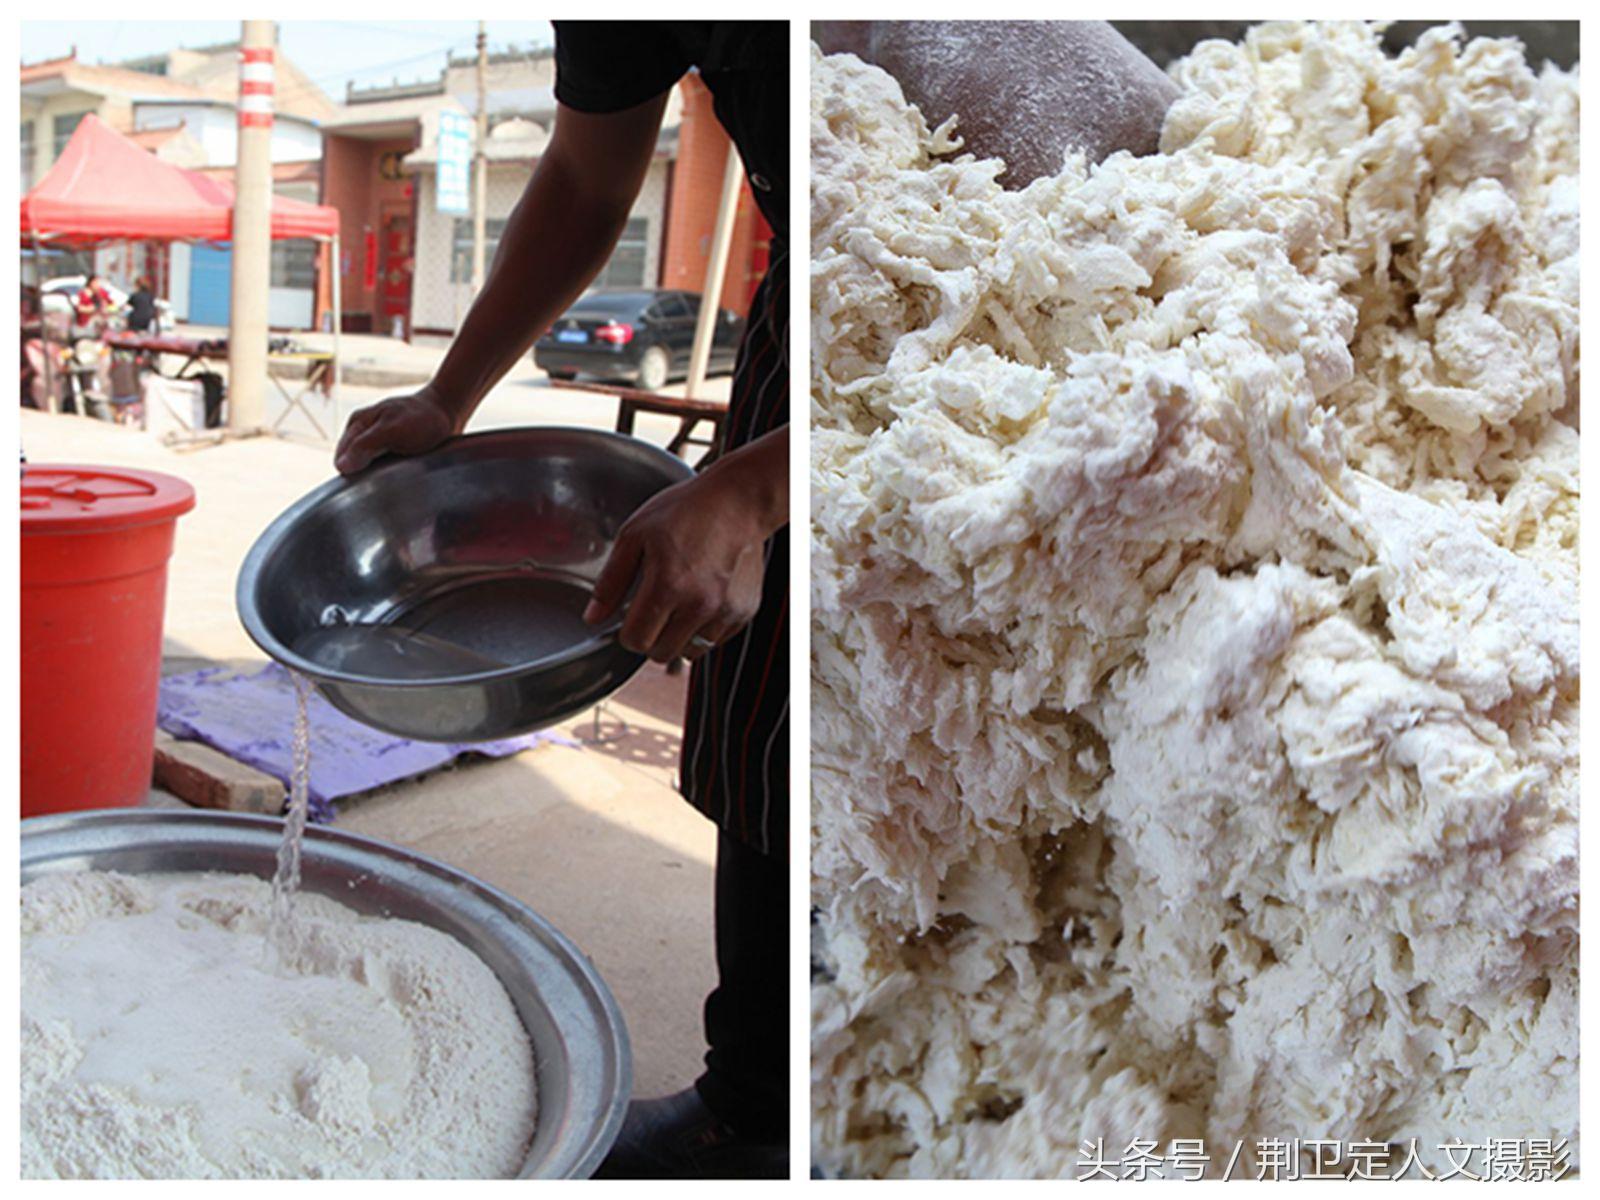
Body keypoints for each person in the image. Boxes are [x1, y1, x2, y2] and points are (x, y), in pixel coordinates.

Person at [333, 21, 789, 1180]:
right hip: (812, 324)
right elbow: (588, 174)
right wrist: (449, 391)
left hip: (1020, 317)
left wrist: (759, 488)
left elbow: (1031, 290)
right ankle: (757, 1109)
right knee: (770, 732)